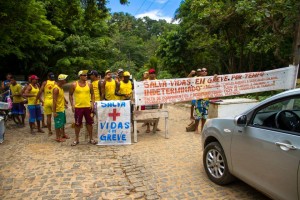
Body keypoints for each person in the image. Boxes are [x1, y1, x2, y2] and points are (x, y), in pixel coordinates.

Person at [69, 70, 96, 146]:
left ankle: (91, 138)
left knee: (89, 123)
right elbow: (70, 95)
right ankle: (76, 139)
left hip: (88, 107)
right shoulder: (74, 85)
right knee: (77, 124)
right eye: (84, 75)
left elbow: (93, 94)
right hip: (78, 107)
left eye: (86, 75)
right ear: (80, 76)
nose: (86, 76)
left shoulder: (89, 84)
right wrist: (72, 105)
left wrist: (92, 103)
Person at [190, 68, 210, 133]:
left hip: (206, 100)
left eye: (205, 71)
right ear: (200, 72)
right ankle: (196, 129)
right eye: (202, 71)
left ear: (207, 72)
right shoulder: (196, 79)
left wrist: (216, 76)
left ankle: (202, 128)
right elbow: (187, 80)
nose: (204, 72)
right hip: (198, 99)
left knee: (205, 115)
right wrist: (190, 74)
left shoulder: (209, 79)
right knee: (198, 114)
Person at [144, 68, 162, 133]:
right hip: (148, 100)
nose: (152, 75)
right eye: (151, 73)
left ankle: (155, 126)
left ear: (155, 74)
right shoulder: (146, 81)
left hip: (155, 100)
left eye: (153, 73)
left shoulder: (157, 81)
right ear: (149, 74)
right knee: (148, 113)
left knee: (155, 113)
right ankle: (148, 127)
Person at [52, 74, 69, 142]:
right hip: (58, 109)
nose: (65, 80)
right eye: (64, 79)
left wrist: (65, 102)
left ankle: (63, 134)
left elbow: (60, 98)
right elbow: (54, 101)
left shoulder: (61, 88)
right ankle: (57, 137)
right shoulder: (56, 89)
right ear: (61, 80)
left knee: (62, 123)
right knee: (58, 124)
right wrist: (54, 111)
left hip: (62, 108)